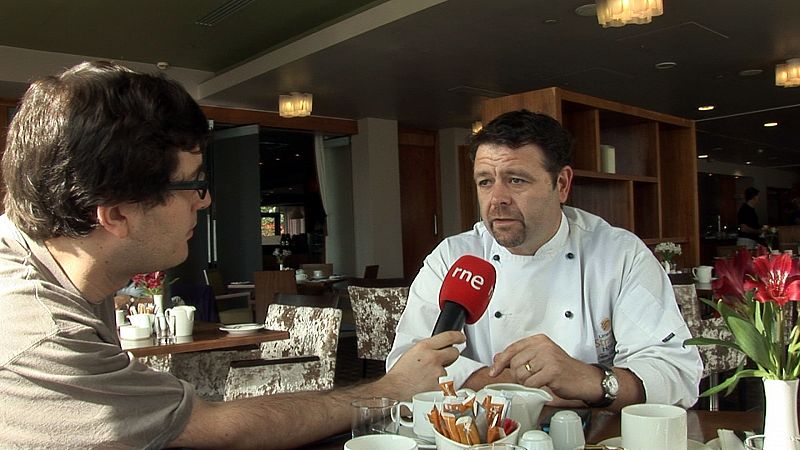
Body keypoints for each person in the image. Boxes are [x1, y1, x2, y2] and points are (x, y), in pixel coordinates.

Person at [0, 61, 465, 448]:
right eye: (193, 183)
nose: (204, 201)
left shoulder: (64, 271)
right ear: (117, 214)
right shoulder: (42, 334)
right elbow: (215, 430)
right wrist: (393, 388)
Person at [387, 109, 702, 410]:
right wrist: (513, 381)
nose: (497, 199)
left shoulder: (618, 254)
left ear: (562, 184)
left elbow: (676, 372)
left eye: (516, 180)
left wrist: (590, 380)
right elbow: (405, 364)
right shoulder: (453, 257)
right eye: (485, 181)